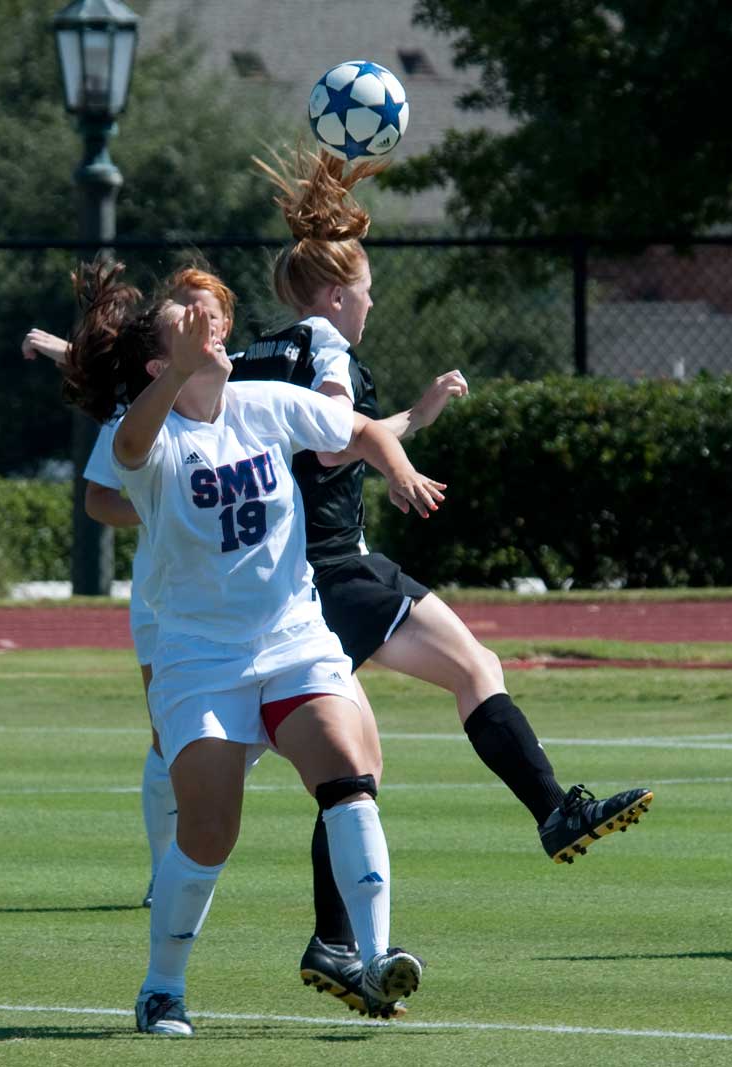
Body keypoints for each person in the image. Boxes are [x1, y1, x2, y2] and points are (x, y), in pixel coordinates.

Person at [247, 146, 653, 1003]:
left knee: (355, 773)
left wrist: (408, 420)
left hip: (287, 580)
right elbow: (334, 440)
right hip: (338, 567)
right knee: (473, 668)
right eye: (365, 290)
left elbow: (319, 438)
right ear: (335, 294)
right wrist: (397, 453)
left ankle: (333, 941)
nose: (370, 303)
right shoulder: (327, 345)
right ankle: (554, 811)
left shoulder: (260, 352)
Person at [59, 258, 444, 1032]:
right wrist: (179, 370)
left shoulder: (263, 403)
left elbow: (359, 429)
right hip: (200, 659)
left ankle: (374, 958)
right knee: (209, 831)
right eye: (186, 326)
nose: (209, 328)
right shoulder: (153, 436)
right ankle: (162, 986)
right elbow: (127, 448)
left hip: (292, 641)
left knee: (348, 774)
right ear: (160, 365)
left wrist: (398, 464)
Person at [23, 266, 240, 911]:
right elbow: (98, 497)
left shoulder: (245, 394)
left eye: (209, 314)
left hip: (249, 606)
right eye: (185, 313)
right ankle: (165, 868)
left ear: (226, 325)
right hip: (163, 601)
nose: (200, 324)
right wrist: (158, 508)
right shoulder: (136, 414)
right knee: (169, 736)